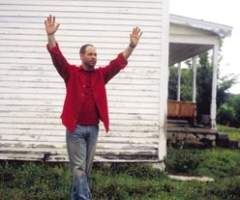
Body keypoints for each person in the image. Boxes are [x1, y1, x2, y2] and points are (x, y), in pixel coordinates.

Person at [44, 14, 142, 200]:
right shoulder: (71, 72)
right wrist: (51, 36)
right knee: (79, 169)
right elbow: (57, 58)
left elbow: (118, 63)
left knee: (85, 171)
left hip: (93, 128)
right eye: (90, 54)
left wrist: (131, 46)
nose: (94, 57)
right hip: (76, 128)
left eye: (95, 54)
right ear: (82, 56)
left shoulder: (101, 75)